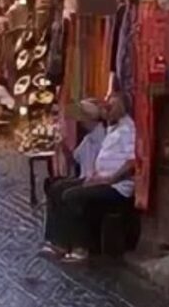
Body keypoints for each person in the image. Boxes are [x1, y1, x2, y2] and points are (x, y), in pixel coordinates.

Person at [44, 93, 136, 263]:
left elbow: (132, 161)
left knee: (73, 196)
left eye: (112, 106)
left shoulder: (128, 129)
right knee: (57, 188)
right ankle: (59, 242)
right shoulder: (112, 128)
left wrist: (111, 179)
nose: (108, 109)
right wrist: (95, 176)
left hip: (118, 187)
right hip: (102, 179)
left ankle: (81, 248)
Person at [41, 99, 107, 253]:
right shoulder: (88, 138)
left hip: (94, 179)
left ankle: (75, 244)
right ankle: (56, 240)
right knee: (54, 187)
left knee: (67, 193)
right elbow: (75, 159)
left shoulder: (101, 136)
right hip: (84, 177)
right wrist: (63, 147)